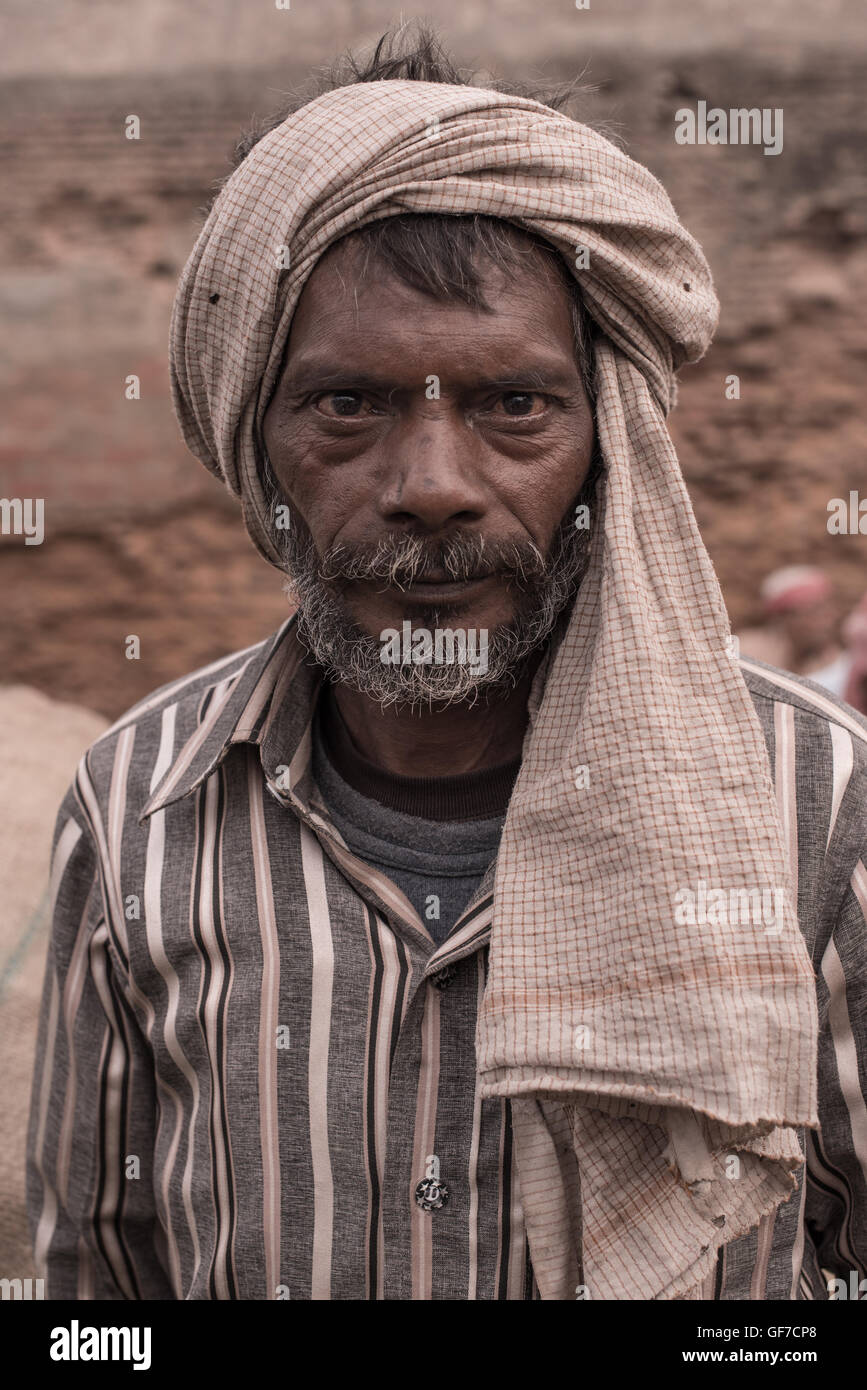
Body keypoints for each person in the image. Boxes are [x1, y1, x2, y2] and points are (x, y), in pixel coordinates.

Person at [26, 26, 867, 1301]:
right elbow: (91, 1302)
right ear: (258, 438)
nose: (432, 488)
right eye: (348, 406)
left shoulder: (819, 803)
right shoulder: (138, 809)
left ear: (612, 440)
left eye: (513, 406)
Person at [738, 565, 852, 695]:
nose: (828, 618)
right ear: (782, 618)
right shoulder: (745, 651)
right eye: (814, 610)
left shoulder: (838, 663)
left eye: (828, 608)